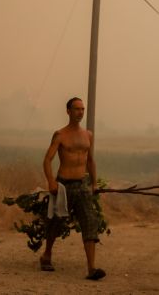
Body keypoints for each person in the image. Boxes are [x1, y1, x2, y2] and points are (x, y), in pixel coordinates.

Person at [40, 97, 106, 280]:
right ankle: (47, 254)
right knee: (56, 222)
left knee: (90, 222)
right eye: (77, 109)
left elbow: (90, 161)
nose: (81, 112)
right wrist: (51, 181)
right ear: (68, 111)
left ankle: (91, 268)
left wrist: (94, 183)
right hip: (63, 185)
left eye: (82, 109)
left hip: (82, 185)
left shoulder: (88, 135)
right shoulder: (60, 135)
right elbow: (47, 160)